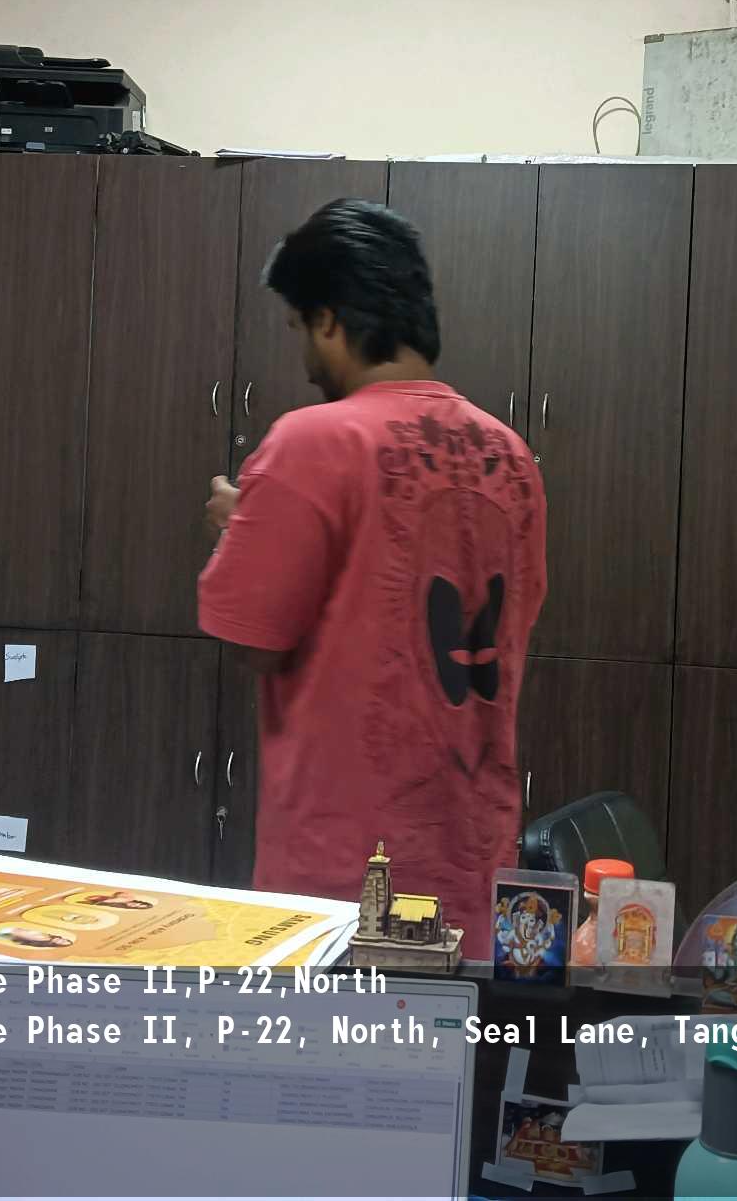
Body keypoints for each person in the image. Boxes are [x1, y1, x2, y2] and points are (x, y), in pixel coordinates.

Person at [198, 199, 547, 957]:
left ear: (329, 320)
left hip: (338, 892)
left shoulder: (311, 441)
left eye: (299, 327)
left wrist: (245, 526)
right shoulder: (512, 457)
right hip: (474, 881)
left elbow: (253, 639)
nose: (303, 353)